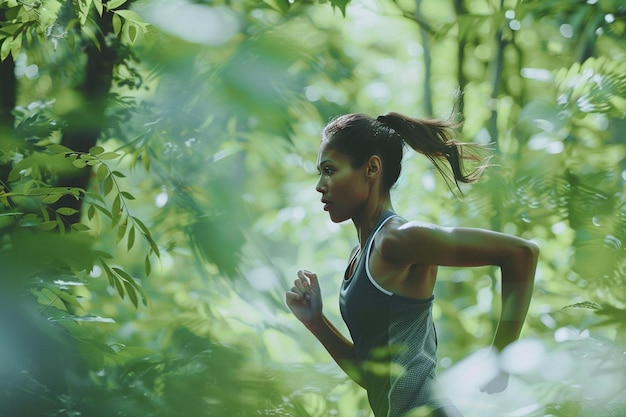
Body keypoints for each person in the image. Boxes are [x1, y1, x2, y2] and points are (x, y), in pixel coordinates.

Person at [285, 112, 539, 417]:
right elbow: (373, 377)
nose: (320, 185)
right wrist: (316, 322)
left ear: (371, 169)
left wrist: (501, 356)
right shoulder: (360, 256)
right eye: (320, 172)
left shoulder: (398, 240)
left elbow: (521, 253)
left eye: (329, 170)